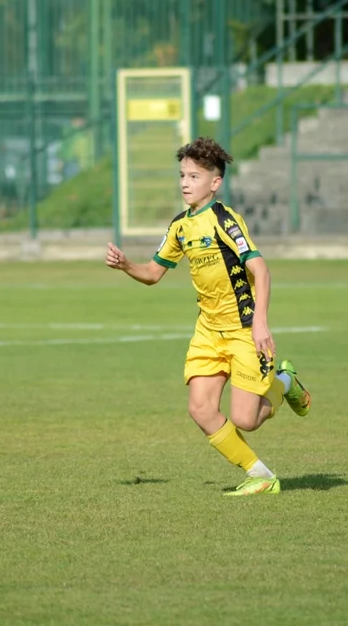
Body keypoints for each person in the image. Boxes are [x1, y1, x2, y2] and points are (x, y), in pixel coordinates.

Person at [105, 137, 312, 496]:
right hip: (208, 331)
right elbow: (154, 274)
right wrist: (126, 265)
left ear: (215, 182)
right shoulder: (179, 226)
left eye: (194, 176)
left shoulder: (226, 220)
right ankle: (261, 475)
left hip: (243, 329)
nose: (185, 183)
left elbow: (260, 272)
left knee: (246, 419)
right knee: (201, 408)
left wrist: (260, 322)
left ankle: (285, 383)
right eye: (182, 175)